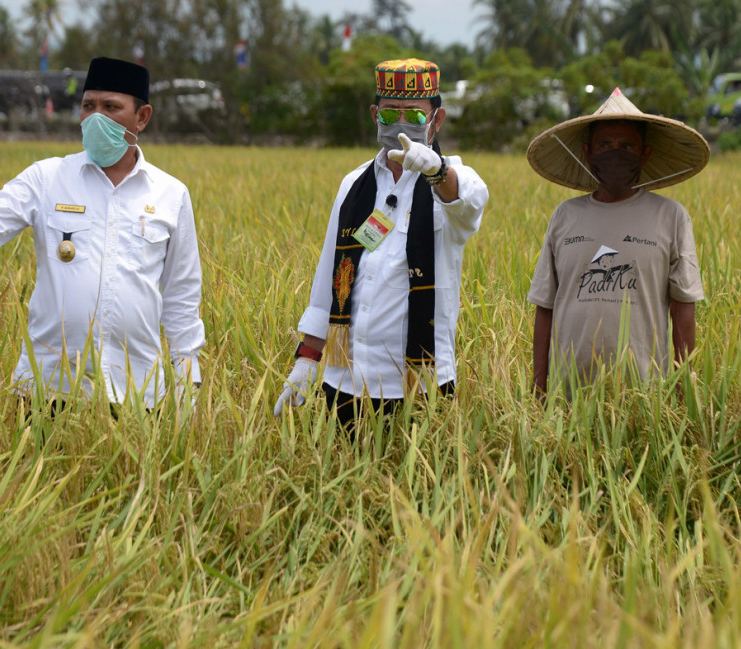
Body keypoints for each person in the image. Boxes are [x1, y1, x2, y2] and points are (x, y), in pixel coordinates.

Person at [0, 57, 205, 411]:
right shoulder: (48, 178)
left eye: (111, 107)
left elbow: (181, 295)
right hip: (48, 389)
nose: (96, 118)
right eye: (88, 106)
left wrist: (187, 383)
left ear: (141, 117)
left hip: (136, 393)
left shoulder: (170, 194)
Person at [273, 58, 488, 426]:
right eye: (389, 114)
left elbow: (468, 202)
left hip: (419, 386)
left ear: (437, 120)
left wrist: (435, 170)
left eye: (414, 115)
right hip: (345, 379)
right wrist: (307, 358)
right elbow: (329, 279)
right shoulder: (354, 185)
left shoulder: (451, 182)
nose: (400, 124)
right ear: (375, 116)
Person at [525, 88, 710, 398]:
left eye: (626, 146)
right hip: (567, 393)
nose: (615, 153)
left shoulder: (670, 216)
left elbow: (683, 306)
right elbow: (545, 305)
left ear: (644, 154)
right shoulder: (565, 215)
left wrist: (683, 383)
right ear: (588, 153)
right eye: (605, 145)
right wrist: (539, 384)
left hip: (644, 395)